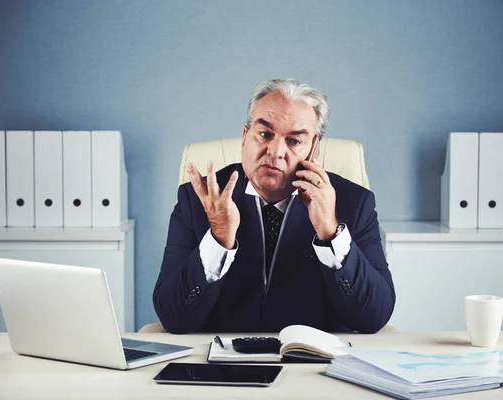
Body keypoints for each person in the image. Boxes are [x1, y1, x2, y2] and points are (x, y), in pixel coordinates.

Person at [153, 78, 395, 333]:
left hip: (316, 362)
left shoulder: (353, 202)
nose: (276, 151)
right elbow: (174, 319)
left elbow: (373, 319)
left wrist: (330, 232)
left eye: (294, 141)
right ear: (245, 137)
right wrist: (218, 237)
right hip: (222, 362)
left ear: (313, 149)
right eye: (265, 134)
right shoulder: (198, 199)